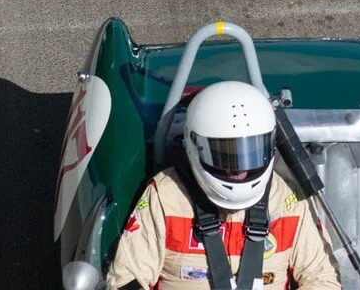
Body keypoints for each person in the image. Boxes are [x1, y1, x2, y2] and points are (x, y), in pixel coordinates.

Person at [106, 81, 341, 290]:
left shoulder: (289, 199)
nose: (239, 170)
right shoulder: (166, 196)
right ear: (195, 147)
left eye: (251, 153)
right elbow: (126, 280)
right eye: (224, 155)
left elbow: (322, 278)